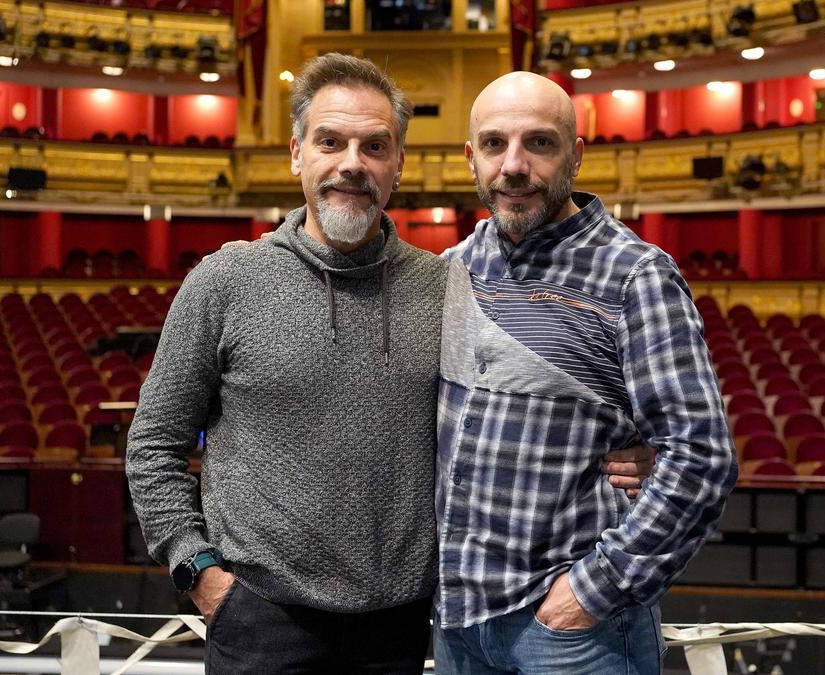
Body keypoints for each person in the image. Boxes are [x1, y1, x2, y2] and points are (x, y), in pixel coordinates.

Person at [127, 54, 649, 674]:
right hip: (260, 619)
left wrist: (637, 448)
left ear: (398, 163)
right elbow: (153, 445)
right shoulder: (225, 280)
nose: (352, 163)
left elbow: (533, 391)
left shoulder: (448, 285)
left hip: (400, 627)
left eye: (374, 145)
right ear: (297, 154)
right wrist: (198, 571)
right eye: (331, 141)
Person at [431, 71, 738, 674]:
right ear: (471, 157)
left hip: (571, 633)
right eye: (494, 144)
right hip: (458, 622)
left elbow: (701, 457)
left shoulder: (636, 275)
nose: (513, 165)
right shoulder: (450, 269)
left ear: (576, 153)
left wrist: (594, 591)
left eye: (539, 143)